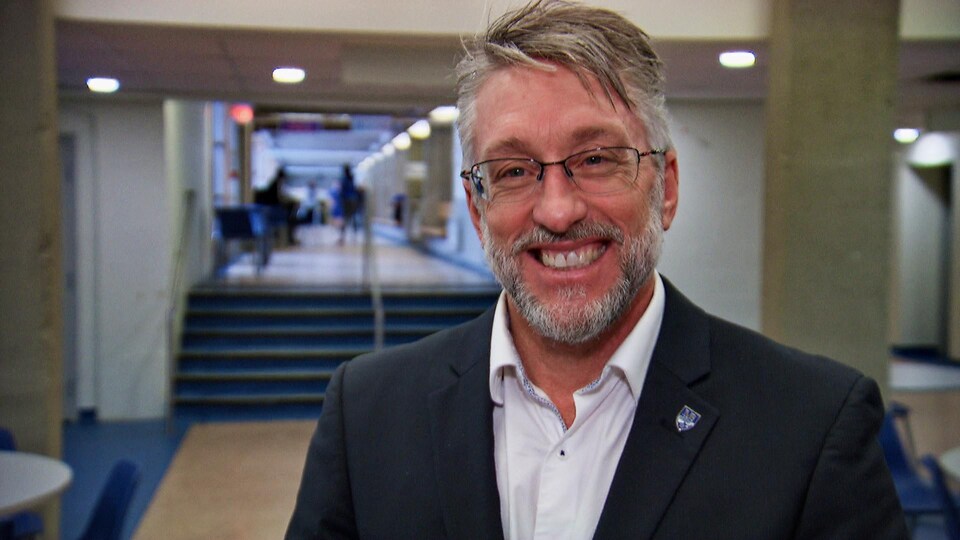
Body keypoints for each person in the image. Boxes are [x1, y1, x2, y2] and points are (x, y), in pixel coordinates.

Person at [286, 1, 909, 538]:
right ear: (478, 210)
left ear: (663, 187)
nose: (557, 210)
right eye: (512, 170)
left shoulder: (810, 424)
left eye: (597, 159)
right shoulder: (367, 413)